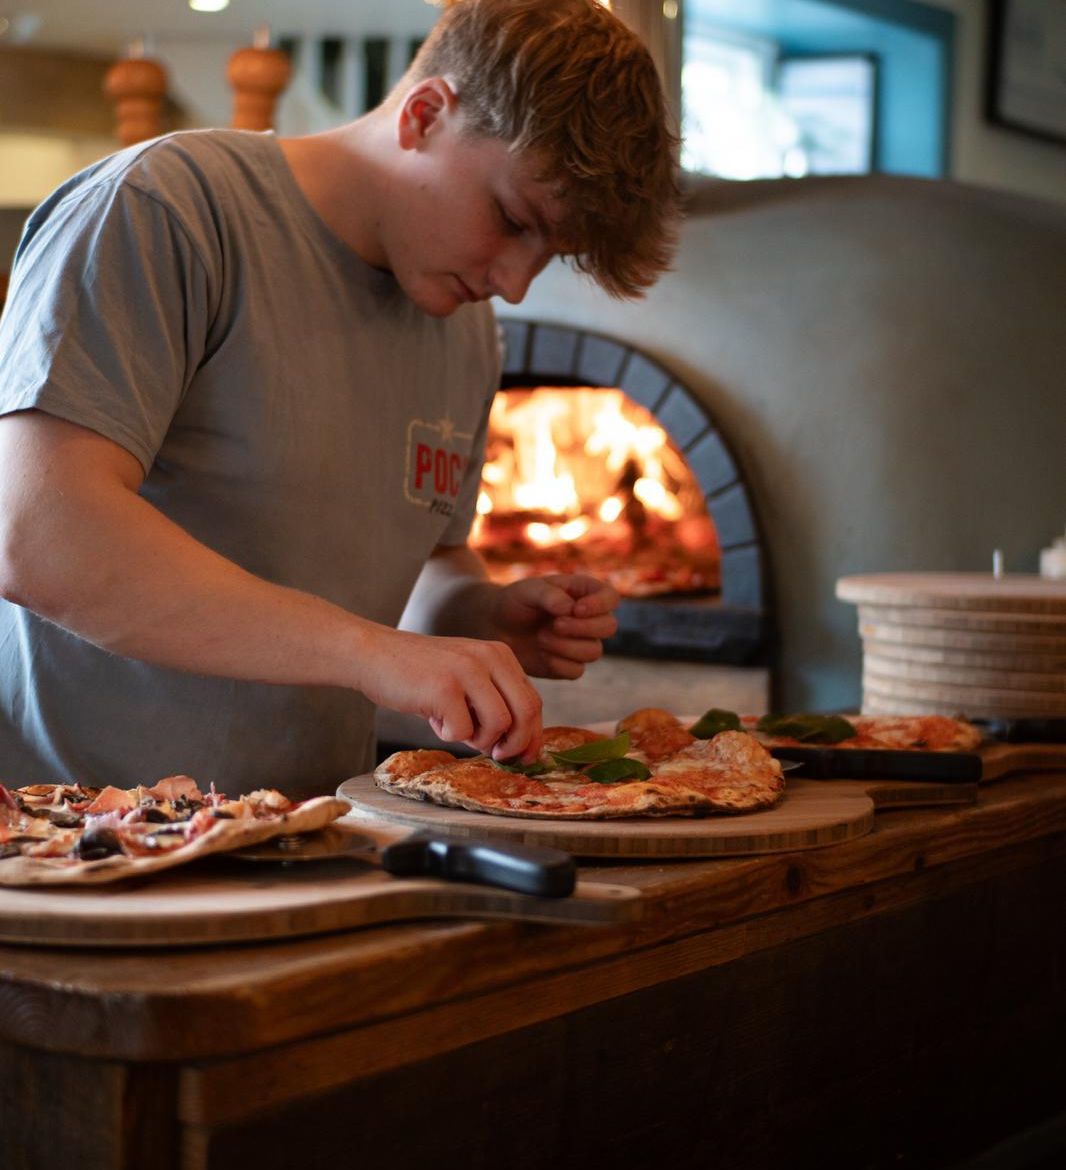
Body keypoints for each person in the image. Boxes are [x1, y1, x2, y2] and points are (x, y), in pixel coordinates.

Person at [0, 0, 679, 797]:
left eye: (550, 255)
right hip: (70, 844)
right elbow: (38, 531)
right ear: (425, 114)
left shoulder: (464, 328)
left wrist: (480, 617)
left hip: (310, 837)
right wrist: (369, 652)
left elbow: (427, 563)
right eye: (510, 219)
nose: (515, 283)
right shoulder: (168, 209)